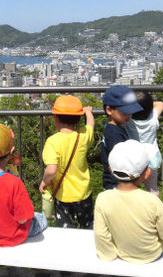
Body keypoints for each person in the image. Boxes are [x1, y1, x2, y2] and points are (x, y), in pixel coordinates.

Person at [94, 140, 163, 264]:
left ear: (111, 170)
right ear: (146, 174)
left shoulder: (103, 198)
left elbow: (101, 234)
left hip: (122, 254)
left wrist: (108, 255)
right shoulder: (152, 201)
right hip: (152, 256)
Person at [39, 95, 95, 228]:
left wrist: (44, 181)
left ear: (56, 118)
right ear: (78, 119)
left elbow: (51, 169)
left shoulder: (52, 141)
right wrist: (88, 112)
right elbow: (90, 125)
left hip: (63, 195)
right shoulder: (82, 136)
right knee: (87, 226)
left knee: (65, 229)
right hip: (83, 192)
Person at [101, 85, 143, 190]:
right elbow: (121, 160)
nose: (129, 116)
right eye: (125, 112)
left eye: (130, 112)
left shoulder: (114, 127)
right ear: (109, 110)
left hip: (116, 181)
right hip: (116, 183)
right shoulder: (114, 133)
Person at [125, 91, 163, 195]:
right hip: (151, 159)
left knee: (130, 187)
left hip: (133, 159)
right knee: (152, 188)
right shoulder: (153, 118)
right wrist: (149, 106)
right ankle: (155, 208)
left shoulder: (128, 121)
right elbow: (160, 104)